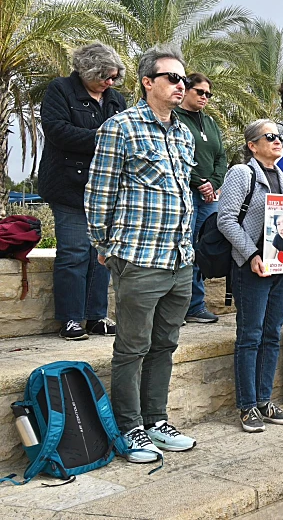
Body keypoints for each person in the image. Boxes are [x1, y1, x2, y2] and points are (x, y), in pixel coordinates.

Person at [86, 44, 197, 461]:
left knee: (165, 344)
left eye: (183, 79)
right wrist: (105, 246)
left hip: (179, 261)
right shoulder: (121, 127)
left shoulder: (184, 133)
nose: (180, 85)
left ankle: (156, 420)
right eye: (171, 77)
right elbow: (99, 192)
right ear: (148, 82)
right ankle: (129, 429)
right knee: (131, 348)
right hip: (139, 258)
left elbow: (182, 193)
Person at [218, 119, 283, 432]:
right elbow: (225, 220)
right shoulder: (242, 173)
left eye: (280, 136)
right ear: (253, 145)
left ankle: (265, 401)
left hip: (280, 267)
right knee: (250, 336)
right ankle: (247, 406)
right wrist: (251, 255)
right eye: (270, 136)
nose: (278, 140)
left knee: (271, 334)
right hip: (251, 267)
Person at [39, 42, 126, 341]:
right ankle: (71, 319)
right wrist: (103, 138)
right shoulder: (60, 90)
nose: (110, 83)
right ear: (88, 70)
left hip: (105, 188)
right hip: (67, 186)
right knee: (74, 253)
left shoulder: (115, 99)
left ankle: (96, 316)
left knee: (101, 254)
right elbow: (56, 130)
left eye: (114, 77)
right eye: (105, 77)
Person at [175, 72, 227, 324]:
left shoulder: (211, 123)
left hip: (209, 197)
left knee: (203, 249)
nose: (205, 97)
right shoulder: (174, 118)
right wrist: (199, 182)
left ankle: (196, 305)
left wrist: (214, 183)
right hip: (185, 193)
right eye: (200, 92)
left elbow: (221, 157)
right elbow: (177, 155)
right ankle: (177, 307)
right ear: (185, 90)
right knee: (182, 247)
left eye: (209, 94)